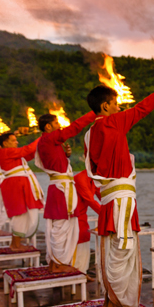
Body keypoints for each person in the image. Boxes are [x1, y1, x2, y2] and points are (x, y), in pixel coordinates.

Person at [84, 71, 154, 307]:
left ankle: (111, 301)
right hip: (121, 201)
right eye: (116, 104)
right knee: (123, 252)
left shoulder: (89, 134)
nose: (119, 108)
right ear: (105, 106)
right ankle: (120, 304)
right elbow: (143, 108)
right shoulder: (112, 122)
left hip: (109, 199)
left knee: (111, 250)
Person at [35, 110, 96, 273]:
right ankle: (58, 263)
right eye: (56, 123)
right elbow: (75, 127)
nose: (59, 126)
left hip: (58, 188)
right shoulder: (49, 138)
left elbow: (55, 162)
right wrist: (94, 113)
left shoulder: (46, 141)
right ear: (48, 127)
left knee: (60, 226)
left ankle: (56, 262)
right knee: (61, 227)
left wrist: (64, 155)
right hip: (61, 189)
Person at [0, 132, 43, 251]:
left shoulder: (12, 154)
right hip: (15, 185)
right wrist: (43, 136)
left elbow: (29, 154)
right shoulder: (6, 151)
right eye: (13, 140)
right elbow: (27, 149)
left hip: (17, 184)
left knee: (21, 213)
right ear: (5, 143)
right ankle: (15, 245)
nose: (16, 142)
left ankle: (15, 244)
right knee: (19, 213)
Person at [72, 170, 102, 277]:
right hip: (72, 216)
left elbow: (102, 195)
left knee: (85, 237)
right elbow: (90, 200)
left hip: (82, 215)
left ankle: (82, 272)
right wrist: (107, 215)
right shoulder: (80, 178)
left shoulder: (94, 179)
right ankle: (74, 273)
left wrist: (115, 209)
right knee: (78, 239)